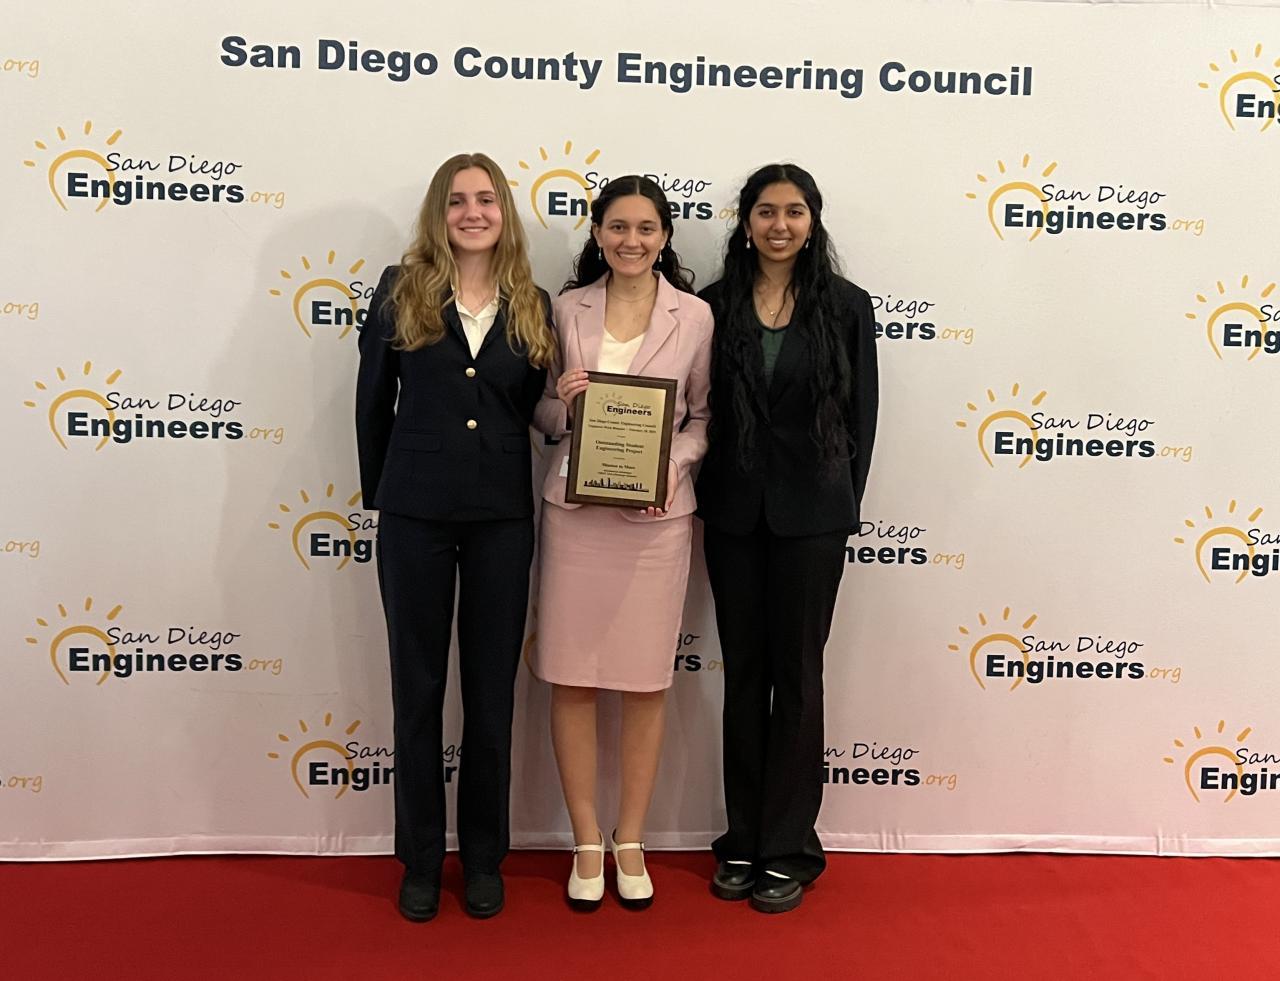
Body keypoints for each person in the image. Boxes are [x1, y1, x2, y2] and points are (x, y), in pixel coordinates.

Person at [355, 152, 555, 922]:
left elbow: (530, 410)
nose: (473, 213)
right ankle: (418, 858)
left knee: (491, 695)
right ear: (439, 213)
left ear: (505, 212)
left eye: (487, 199)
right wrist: (386, 495)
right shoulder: (400, 289)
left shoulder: (532, 302)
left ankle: (481, 858)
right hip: (416, 514)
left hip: (502, 516)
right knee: (417, 691)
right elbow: (372, 401)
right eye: (458, 201)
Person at [695, 163, 878, 914]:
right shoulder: (712, 306)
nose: (780, 225)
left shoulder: (847, 306)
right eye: (766, 211)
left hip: (813, 519)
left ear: (812, 221)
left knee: (798, 679)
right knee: (744, 676)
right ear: (746, 222)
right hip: (733, 516)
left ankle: (789, 847)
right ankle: (741, 839)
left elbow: (862, 421)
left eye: (794, 211)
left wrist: (838, 506)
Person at [531, 175, 712, 910]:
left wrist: (673, 464)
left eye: (645, 228)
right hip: (576, 515)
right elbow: (540, 410)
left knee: (644, 680)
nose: (630, 240)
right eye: (617, 227)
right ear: (597, 232)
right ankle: (585, 838)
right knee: (571, 675)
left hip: (655, 521)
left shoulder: (695, 315)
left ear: (665, 236)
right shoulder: (565, 308)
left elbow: (704, 418)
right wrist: (566, 407)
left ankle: (630, 838)